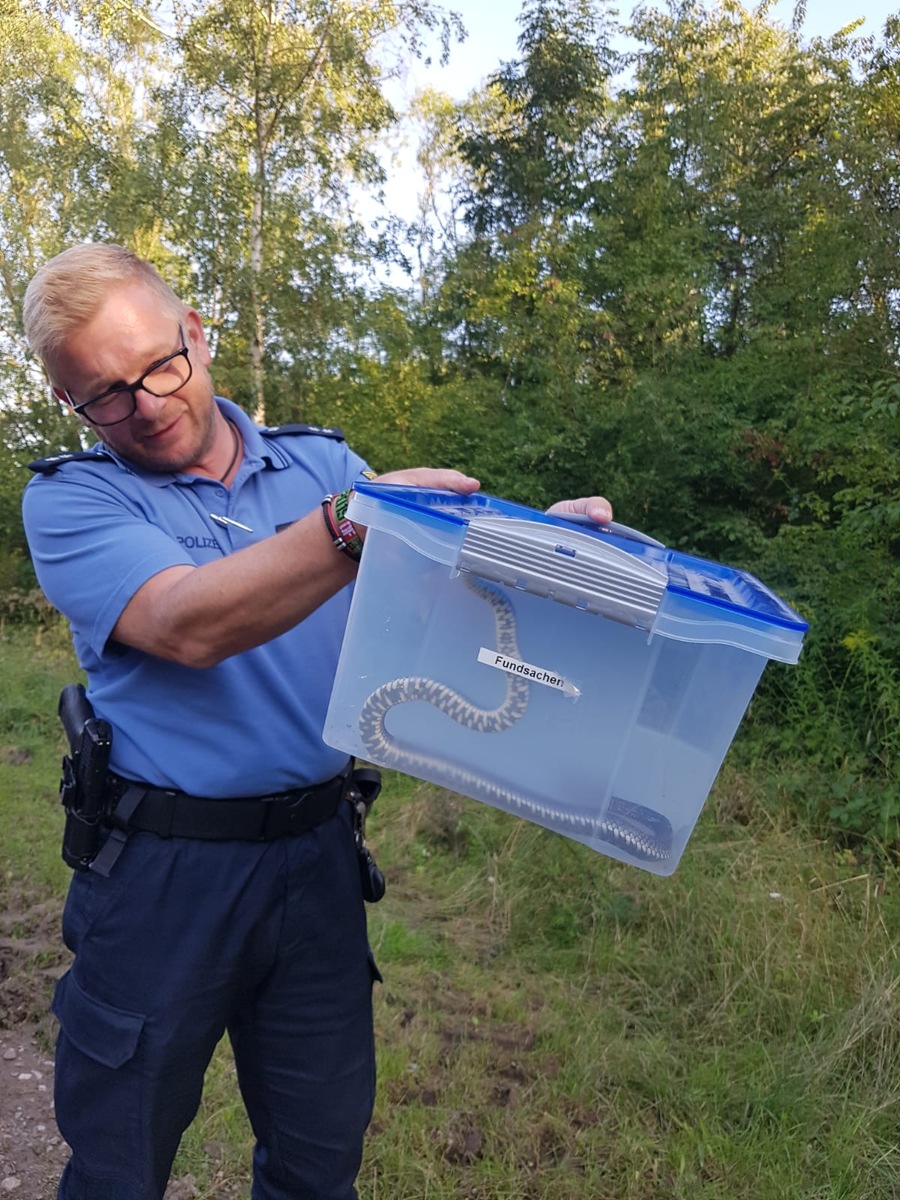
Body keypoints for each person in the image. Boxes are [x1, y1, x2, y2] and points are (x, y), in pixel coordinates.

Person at [20, 243, 614, 1200]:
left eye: (159, 366)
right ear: (72, 405)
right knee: (118, 1164)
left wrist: (538, 552)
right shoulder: (75, 498)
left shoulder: (324, 465)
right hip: (163, 877)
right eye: (104, 396)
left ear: (197, 336)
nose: (146, 404)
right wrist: (350, 524)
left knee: (318, 1158)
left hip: (319, 858)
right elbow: (186, 621)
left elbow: (431, 616)